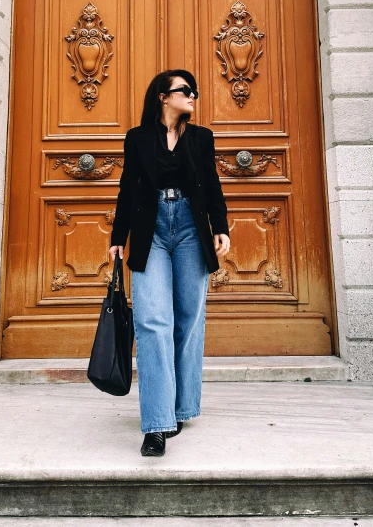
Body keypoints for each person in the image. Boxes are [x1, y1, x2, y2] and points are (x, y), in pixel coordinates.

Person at [109, 69, 230, 456]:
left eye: (193, 90)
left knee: (189, 319)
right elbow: (128, 190)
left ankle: (181, 407)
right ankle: (156, 424)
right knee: (152, 321)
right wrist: (117, 238)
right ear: (163, 96)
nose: (192, 95)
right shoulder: (138, 138)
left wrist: (221, 227)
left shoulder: (201, 138)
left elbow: (211, 185)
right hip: (152, 231)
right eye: (185, 90)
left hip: (192, 231)